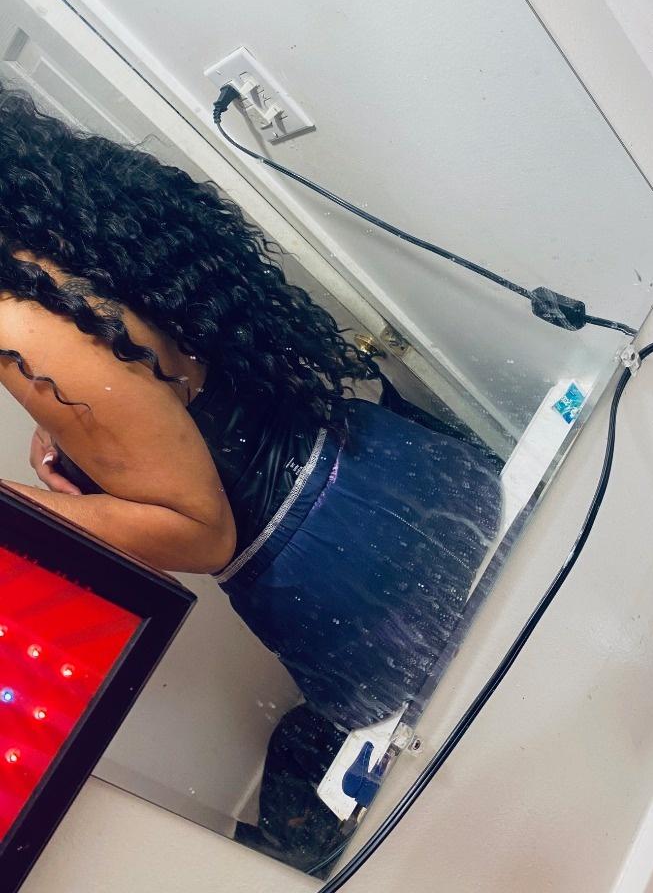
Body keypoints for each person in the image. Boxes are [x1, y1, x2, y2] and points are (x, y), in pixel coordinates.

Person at [0, 80, 503, 737]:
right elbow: (158, 375)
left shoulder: (23, 330)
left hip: (346, 570)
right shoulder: (64, 225)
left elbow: (203, 536)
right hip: (390, 468)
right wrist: (69, 431)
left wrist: (15, 504)